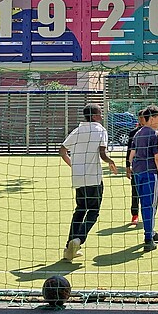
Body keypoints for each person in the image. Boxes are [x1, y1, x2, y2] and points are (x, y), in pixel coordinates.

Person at [60, 104, 117, 261]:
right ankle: (79, 239)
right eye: (99, 113)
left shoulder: (77, 130)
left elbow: (62, 150)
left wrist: (74, 166)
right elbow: (103, 153)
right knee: (93, 211)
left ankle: (68, 249)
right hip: (94, 178)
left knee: (79, 210)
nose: (101, 116)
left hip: (79, 178)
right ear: (94, 116)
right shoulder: (100, 130)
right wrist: (110, 161)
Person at [128, 104, 158, 251]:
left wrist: (129, 166)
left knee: (144, 203)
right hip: (150, 173)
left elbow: (134, 153)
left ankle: (151, 231)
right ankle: (148, 239)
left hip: (138, 173)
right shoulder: (154, 134)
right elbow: (157, 158)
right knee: (150, 205)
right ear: (151, 118)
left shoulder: (138, 133)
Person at [125, 111, 147, 225]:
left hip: (149, 168)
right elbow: (129, 151)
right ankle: (135, 215)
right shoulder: (133, 133)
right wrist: (128, 166)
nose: (141, 120)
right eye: (140, 118)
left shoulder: (152, 133)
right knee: (135, 191)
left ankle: (147, 215)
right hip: (136, 167)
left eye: (143, 118)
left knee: (148, 193)